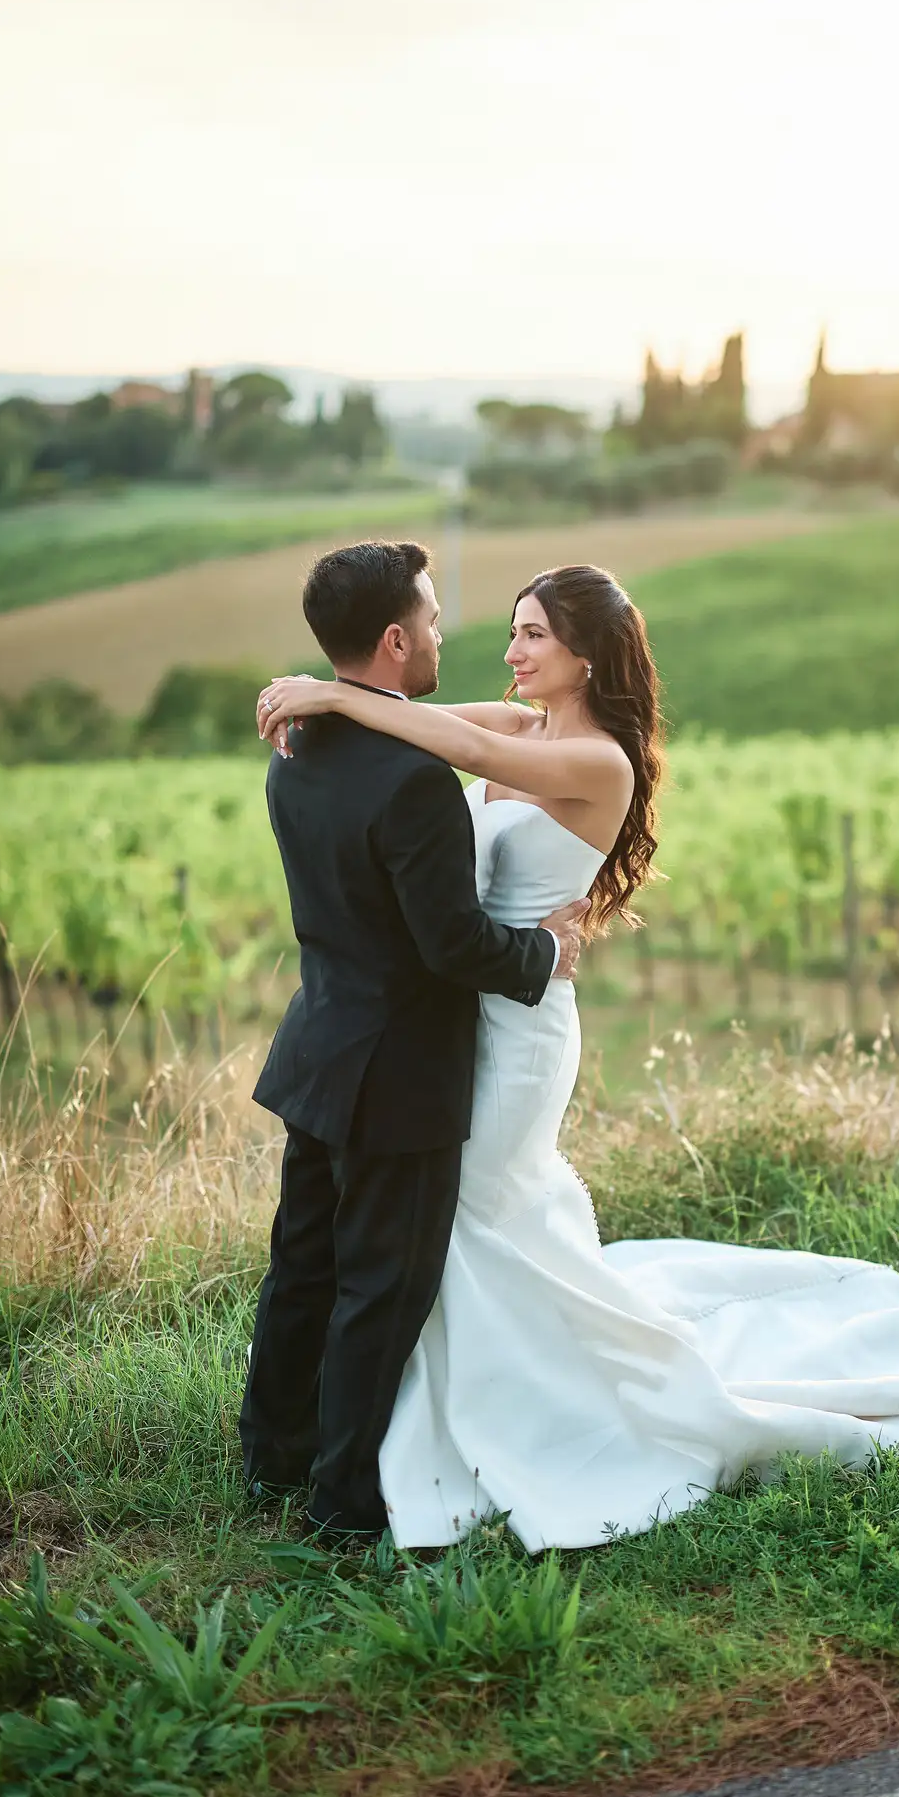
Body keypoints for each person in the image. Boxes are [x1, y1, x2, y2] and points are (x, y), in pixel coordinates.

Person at [257, 561, 899, 1552]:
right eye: (510, 631)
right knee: (456, 1229)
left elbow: (443, 735)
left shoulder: (596, 762)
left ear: (586, 655)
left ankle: (499, 1416)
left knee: (478, 1216)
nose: (509, 652)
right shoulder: (530, 728)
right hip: (469, 1012)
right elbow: (447, 719)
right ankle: (411, 1418)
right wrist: (338, 703)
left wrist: (329, 695)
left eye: (533, 636)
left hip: (521, 1020)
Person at [241, 540, 589, 1541]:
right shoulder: (414, 782)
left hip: (318, 1049)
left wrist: (334, 697)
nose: (443, 634)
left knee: (302, 1265)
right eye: (432, 621)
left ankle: (272, 1456)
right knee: (379, 1290)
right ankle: (344, 1509)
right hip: (399, 1078)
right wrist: (543, 952)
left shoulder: (300, 751)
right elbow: (452, 946)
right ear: (395, 639)